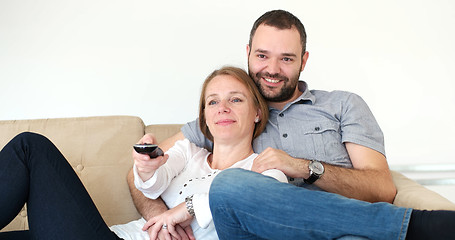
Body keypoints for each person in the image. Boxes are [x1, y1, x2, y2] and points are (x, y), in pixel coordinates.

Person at [127, 9, 455, 240]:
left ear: (304, 60)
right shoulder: (231, 114)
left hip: (341, 230)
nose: (272, 69)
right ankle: (415, 227)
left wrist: (301, 166)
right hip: (257, 232)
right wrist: (162, 223)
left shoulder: (342, 105)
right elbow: (140, 171)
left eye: (286, 58)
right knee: (231, 186)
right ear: (248, 53)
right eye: (262, 56)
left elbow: (382, 188)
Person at [0, 66, 287, 240]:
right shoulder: (190, 151)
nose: (222, 107)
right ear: (204, 116)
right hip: (116, 235)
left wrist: (187, 209)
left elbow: (255, 200)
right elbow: (154, 183)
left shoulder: (264, 169)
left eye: (235, 99)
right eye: (212, 102)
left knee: (30, 148)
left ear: (257, 113)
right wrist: (147, 169)